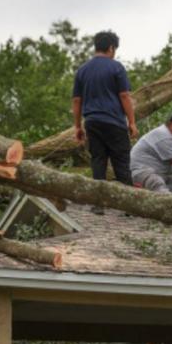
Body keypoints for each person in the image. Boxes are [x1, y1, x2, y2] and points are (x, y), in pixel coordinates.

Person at [72, 30, 137, 215]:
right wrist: (131, 122)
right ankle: (130, 206)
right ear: (111, 47)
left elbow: (77, 101)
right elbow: (124, 95)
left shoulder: (82, 70)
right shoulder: (116, 67)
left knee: (98, 160)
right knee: (122, 162)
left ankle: (98, 204)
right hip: (114, 122)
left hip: (92, 121)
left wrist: (78, 126)